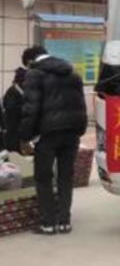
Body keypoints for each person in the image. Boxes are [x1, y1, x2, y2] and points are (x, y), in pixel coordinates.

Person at [19, 46, 88, 235]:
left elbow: (30, 109)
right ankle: (64, 222)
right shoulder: (72, 73)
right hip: (71, 133)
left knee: (43, 178)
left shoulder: (34, 74)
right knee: (66, 177)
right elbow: (81, 105)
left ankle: (47, 223)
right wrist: (80, 130)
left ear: (30, 61)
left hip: (47, 134)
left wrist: (25, 137)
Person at [2, 68, 28, 154]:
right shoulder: (12, 92)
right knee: (13, 153)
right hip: (13, 131)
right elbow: (11, 109)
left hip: (17, 130)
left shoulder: (19, 92)